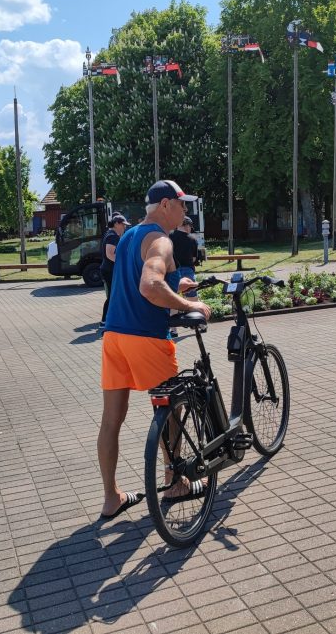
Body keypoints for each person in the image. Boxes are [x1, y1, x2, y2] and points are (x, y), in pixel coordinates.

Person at [98, 180, 211, 521]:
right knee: (170, 413)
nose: (185, 210)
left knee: (111, 421)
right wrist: (189, 304)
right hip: (146, 337)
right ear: (165, 205)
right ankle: (174, 482)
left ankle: (110, 498)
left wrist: (179, 286)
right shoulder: (161, 239)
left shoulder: (130, 236)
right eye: (181, 204)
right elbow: (150, 286)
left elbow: (143, 279)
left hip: (114, 336)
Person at [98, 214, 130, 332]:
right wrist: (124, 263)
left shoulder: (111, 234)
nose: (124, 227)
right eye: (123, 225)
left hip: (108, 270)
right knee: (113, 296)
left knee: (114, 295)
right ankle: (104, 321)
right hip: (110, 270)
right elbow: (110, 254)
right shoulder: (112, 236)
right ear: (116, 224)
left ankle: (110, 320)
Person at [170, 216, 199, 298]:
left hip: (172, 270)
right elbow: (194, 258)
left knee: (172, 297)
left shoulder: (169, 236)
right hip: (187, 270)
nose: (190, 229)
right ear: (187, 225)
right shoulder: (193, 239)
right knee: (191, 297)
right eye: (190, 227)